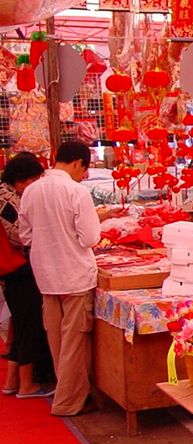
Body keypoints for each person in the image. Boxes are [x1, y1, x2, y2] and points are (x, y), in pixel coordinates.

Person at [19, 141, 102, 416]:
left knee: (57, 339)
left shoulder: (31, 191)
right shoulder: (76, 191)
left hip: (46, 275)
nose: (83, 175)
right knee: (74, 342)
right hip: (75, 275)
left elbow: (25, 236)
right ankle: (68, 401)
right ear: (78, 162)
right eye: (84, 169)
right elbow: (90, 237)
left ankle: (67, 392)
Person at [0, 153, 54, 398]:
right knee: (29, 324)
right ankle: (26, 385)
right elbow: (18, 236)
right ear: (20, 178)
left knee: (20, 323)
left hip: (9, 270)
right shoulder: (9, 200)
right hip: (18, 268)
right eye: (33, 179)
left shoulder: (6, 193)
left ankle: (12, 381)